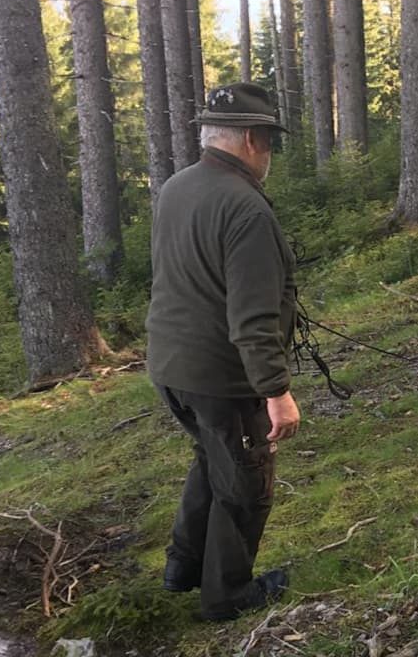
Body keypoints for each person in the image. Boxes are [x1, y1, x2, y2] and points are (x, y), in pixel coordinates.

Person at [146, 82, 301, 621]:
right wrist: (276, 393)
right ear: (254, 141)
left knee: (213, 459)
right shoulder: (245, 208)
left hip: (170, 366)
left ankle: (183, 568)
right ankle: (227, 597)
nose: (270, 156)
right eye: (270, 143)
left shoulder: (176, 187)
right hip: (219, 375)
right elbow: (252, 320)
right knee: (246, 483)